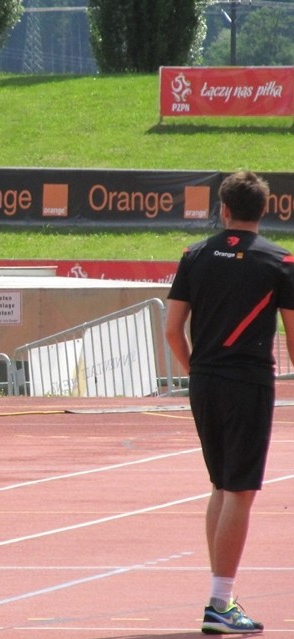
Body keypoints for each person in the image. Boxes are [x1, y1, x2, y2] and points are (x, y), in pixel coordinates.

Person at [166, 170, 294, 634]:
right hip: (248, 382)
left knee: (222, 486)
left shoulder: (195, 255)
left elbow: (171, 329)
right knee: (240, 490)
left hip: (204, 380)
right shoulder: (279, 261)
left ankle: (223, 595)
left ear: (223, 209)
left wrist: (196, 371)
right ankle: (220, 602)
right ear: (266, 211)